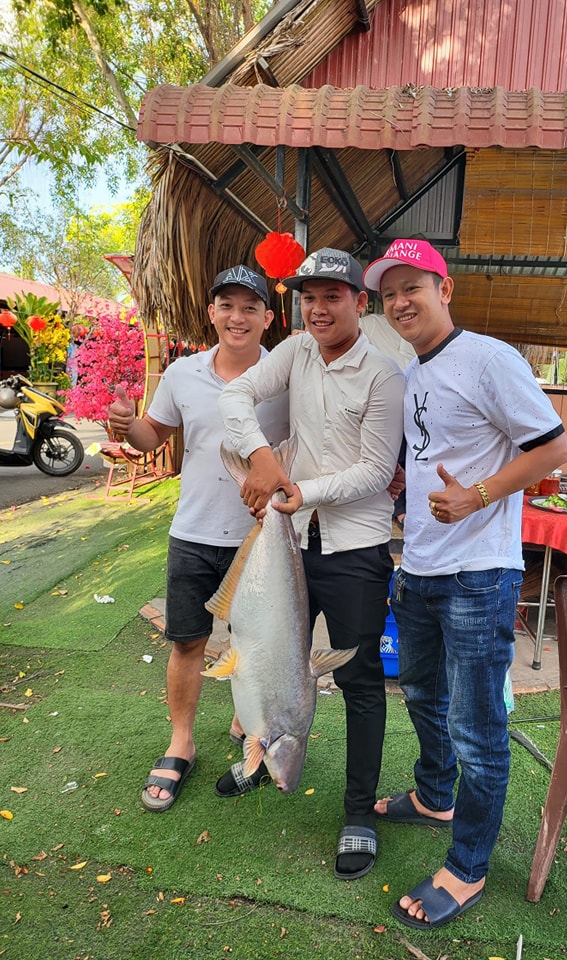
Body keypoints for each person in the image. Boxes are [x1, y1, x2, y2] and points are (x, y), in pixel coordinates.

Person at [362, 239, 567, 929]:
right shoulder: (415, 371)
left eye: (412, 287)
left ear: (444, 289)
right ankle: (434, 796)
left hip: (478, 575)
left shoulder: (488, 358)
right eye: (389, 293)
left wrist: (478, 495)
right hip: (420, 568)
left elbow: (553, 447)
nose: (400, 302)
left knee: (477, 730)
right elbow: (435, 455)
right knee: (423, 693)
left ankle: (469, 865)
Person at [217, 247, 405, 881]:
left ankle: (358, 813)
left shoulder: (384, 375)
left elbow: (376, 470)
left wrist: (302, 490)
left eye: (332, 296)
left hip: (354, 550)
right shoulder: (296, 351)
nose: (318, 309)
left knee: (358, 681)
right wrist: (262, 457)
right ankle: (259, 754)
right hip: (291, 541)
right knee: (263, 653)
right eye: (309, 297)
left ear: (360, 302)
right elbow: (236, 396)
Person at [107, 264, 288, 813]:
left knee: (255, 644)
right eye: (226, 306)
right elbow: (152, 435)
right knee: (187, 641)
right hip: (193, 531)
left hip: (263, 540)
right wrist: (125, 425)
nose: (237, 317)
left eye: (250, 307)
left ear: (268, 318)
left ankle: (245, 718)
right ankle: (180, 742)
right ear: (211, 313)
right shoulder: (183, 373)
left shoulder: (285, 377)